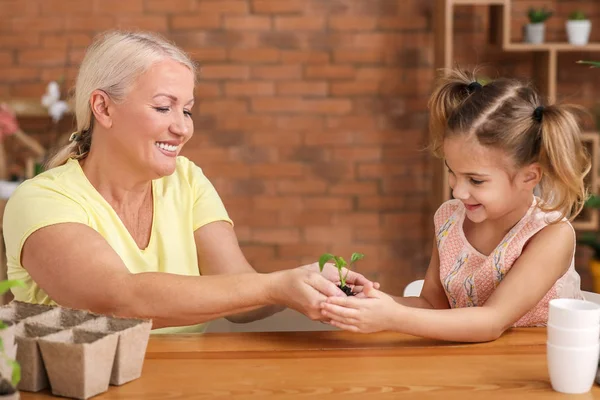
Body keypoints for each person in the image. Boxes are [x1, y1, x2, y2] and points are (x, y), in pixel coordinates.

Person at [2, 31, 377, 334]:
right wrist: (276, 284)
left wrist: (311, 282)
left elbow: (239, 294)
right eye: (164, 107)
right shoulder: (40, 199)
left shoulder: (187, 181)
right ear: (103, 108)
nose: (182, 127)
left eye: (187, 109)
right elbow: (116, 300)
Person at [321, 69, 590, 342]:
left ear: (529, 176)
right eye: (453, 172)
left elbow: (491, 322)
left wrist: (391, 317)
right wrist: (368, 302)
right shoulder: (449, 219)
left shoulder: (550, 234)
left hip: (531, 369)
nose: (458, 191)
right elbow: (432, 307)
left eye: (476, 180)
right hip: (464, 365)